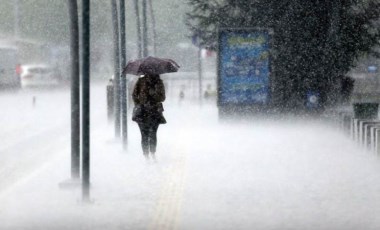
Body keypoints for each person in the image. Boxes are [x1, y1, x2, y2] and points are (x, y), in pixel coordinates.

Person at [132, 74, 166, 160]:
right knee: (144, 134)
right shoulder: (140, 81)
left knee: (153, 133)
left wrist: (154, 94)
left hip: (154, 112)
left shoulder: (159, 82)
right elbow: (134, 95)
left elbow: (162, 98)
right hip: (142, 112)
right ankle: (146, 154)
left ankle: (152, 153)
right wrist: (139, 104)